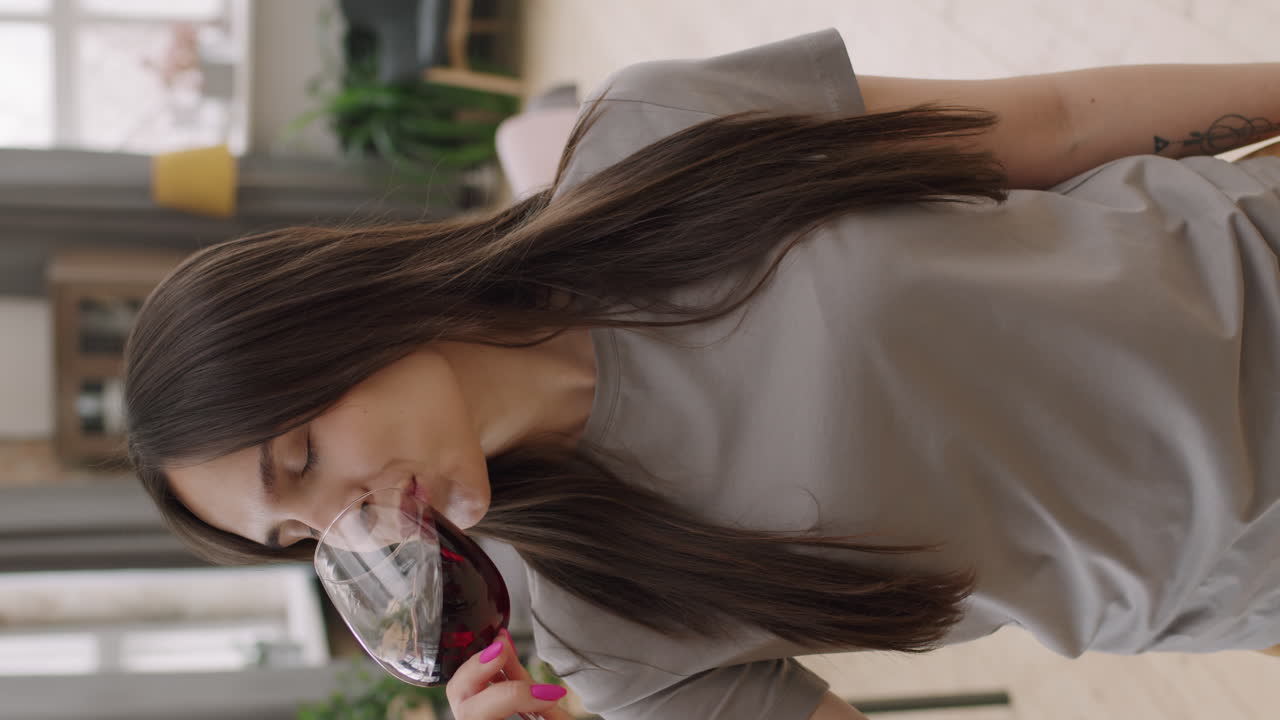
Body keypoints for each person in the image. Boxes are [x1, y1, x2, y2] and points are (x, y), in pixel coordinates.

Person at [123, 28, 1280, 720]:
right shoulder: (599, 630)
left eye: (301, 458)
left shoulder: (651, 134)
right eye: (299, 536)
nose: (351, 526)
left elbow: (1050, 123)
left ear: (334, 315)